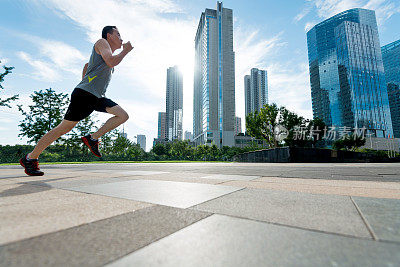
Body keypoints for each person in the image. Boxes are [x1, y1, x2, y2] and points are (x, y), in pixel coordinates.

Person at [20, 26, 133, 176]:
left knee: (122, 115)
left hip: (97, 97)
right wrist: (125, 51)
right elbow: (111, 62)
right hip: (85, 95)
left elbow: (88, 66)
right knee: (63, 128)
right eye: (118, 34)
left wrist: (87, 79)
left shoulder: (104, 55)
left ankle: (92, 139)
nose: (121, 38)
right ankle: (30, 158)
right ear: (109, 35)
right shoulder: (101, 42)